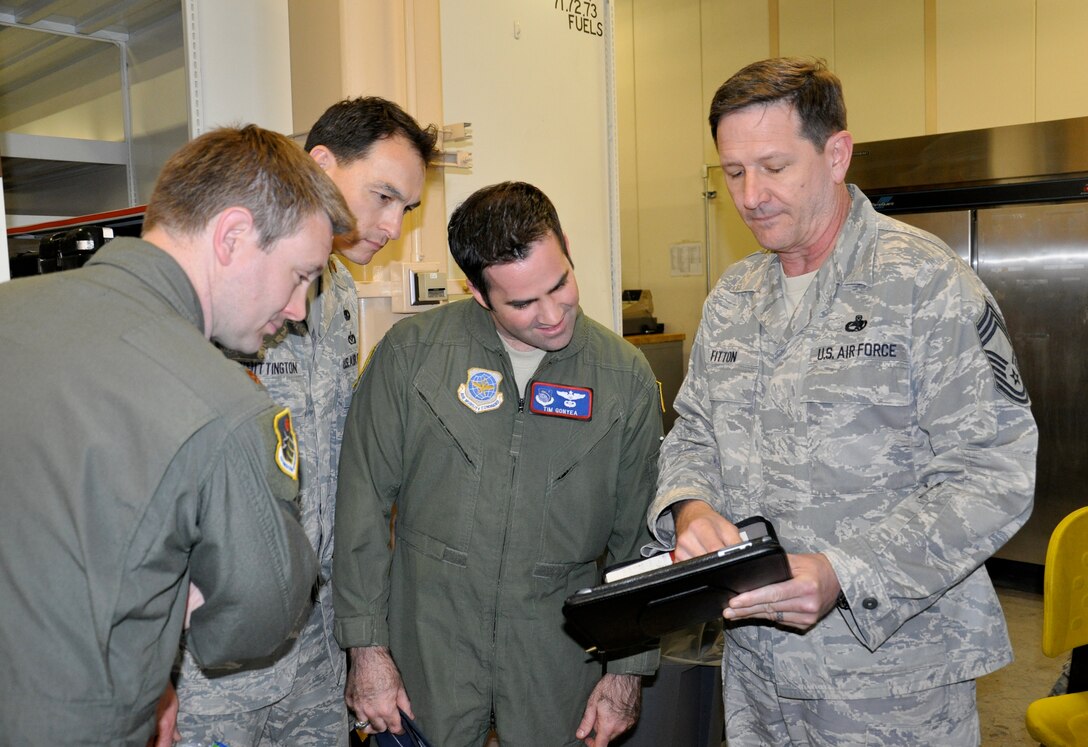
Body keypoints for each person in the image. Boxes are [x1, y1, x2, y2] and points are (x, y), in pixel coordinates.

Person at [647, 57, 1038, 745]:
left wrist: (845, 572)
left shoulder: (925, 283)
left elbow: (996, 471)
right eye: (733, 172)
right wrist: (691, 505)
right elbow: (693, 433)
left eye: (773, 166)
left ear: (836, 154)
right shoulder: (733, 298)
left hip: (891, 680)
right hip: (755, 670)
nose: (751, 194)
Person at [0, 124, 355, 746]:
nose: (299, 308)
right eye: (300, 275)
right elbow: (255, 618)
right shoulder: (221, 404)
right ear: (233, 237)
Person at [333, 181, 662, 746]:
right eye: (524, 303)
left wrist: (627, 673)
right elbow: (361, 506)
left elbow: (641, 541)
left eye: (561, 284)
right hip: (428, 650)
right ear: (479, 294)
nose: (554, 314)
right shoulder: (412, 355)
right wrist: (366, 651)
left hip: (558, 660)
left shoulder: (623, 379)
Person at [172, 97, 436, 747]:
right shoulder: (218, 292)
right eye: (382, 196)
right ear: (321, 166)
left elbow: (341, 469)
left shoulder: (340, 292)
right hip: (214, 667)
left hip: (315, 650)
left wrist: (359, 638)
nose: (394, 225)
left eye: (407, 207)